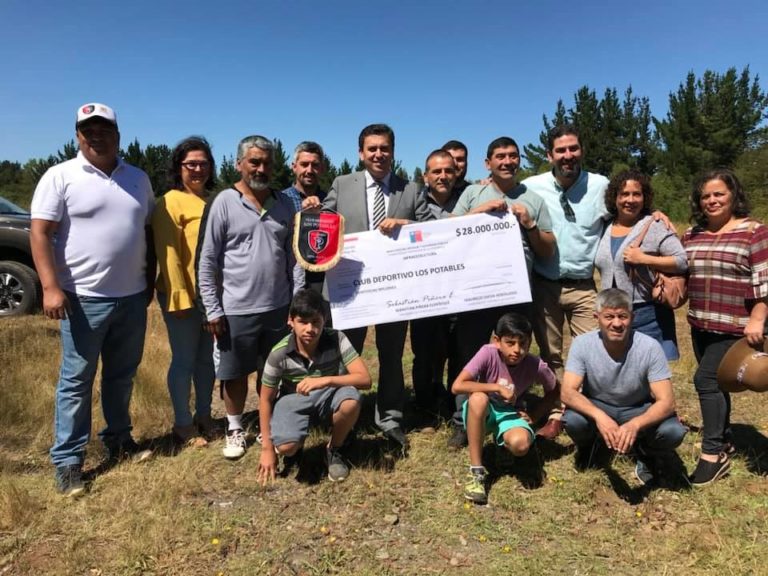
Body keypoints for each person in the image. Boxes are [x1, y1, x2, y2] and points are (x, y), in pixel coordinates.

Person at [30, 103, 155, 496]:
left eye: (104, 130)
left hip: (132, 297)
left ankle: (119, 438)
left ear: (118, 135)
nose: (96, 137)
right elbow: (40, 233)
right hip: (82, 298)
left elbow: (146, 231)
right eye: (88, 131)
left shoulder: (137, 178)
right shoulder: (60, 176)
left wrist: (149, 280)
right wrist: (50, 288)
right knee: (76, 381)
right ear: (78, 136)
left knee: (122, 375)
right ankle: (68, 461)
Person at [322, 123, 433, 451]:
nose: (378, 154)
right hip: (350, 287)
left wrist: (406, 224)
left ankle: (390, 417)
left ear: (393, 152)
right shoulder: (342, 184)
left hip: (394, 289)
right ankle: (345, 415)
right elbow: (324, 224)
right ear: (361, 153)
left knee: (392, 355)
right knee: (347, 354)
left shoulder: (410, 189)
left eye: (384, 148)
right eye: (372, 148)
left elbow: (430, 228)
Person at [447, 136, 556, 448]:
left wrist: (530, 224)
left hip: (516, 292)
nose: (507, 161)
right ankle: (464, 420)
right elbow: (448, 233)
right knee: (470, 353)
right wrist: (478, 211)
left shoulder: (533, 199)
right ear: (488, 163)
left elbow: (547, 250)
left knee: (514, 353)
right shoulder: (472, 193)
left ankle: (512, 411)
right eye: (500, 156)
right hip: (475, 290)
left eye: (513, 155)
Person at [197, 135, 301, 460]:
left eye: (267, 163)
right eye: (254, 161)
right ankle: (235, 427)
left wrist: (296, 303)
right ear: (238, 163)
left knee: (273, 372)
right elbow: (207, 260)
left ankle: (267, 425)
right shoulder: (224, 202)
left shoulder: (284, 204)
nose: (261, 168)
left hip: (278, 306)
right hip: (235, 309)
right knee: (234, 374)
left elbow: (294, 258)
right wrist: (212, 309)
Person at [521, 125, 610, 439]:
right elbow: (503, 197)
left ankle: (589, 408)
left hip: (584, 285)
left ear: (581, 151)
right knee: (552, 354)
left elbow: (630, 208)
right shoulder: (531, 186)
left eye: (573, 148)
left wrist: (657, 215)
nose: (568, 155)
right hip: (545, 284)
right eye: (561, 150)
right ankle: (558, 411)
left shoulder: (600, 185)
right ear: (550, 155)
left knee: (594, 351)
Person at [682, 169, 768, 486]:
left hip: (737, 327)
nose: (712, 200)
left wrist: (758, 317)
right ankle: (726, 438)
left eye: (719, 194)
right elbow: (681, 270)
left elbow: (764, 279)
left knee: (705, 380)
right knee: (718, 384)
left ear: (733, 195)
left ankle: (713, 455)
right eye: (705, 195)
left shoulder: (753, 232)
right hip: (701, 322)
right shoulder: (692, 234)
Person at [560, 288, 687, 486]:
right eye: (609, 317)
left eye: (623, 316)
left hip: (637, 407)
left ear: (632, 318)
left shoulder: (650, 346)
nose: (617, 323)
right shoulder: (582, 344)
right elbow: (567, 392)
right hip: (599, 405)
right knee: (572, 420)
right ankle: (590, 445)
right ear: (596, 318)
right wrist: (599, 416)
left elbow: (667, 402)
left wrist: (635, 424)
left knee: (673, 431)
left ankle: (646, 451)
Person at [258, 289, 372, 483]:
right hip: (292, 400)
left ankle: (334, 449)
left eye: (316, 322)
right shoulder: (278, 353)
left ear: (324, 320)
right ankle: (294, 444)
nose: (310, 329)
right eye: (303, 322)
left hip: (329, 395)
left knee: (351, 400)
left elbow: (365, 380)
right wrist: (267, 448)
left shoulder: (337, 338)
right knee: (286, 448)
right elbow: (265, 399)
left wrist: (326, 380)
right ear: (291, 321)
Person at [452, 313, 558, 504]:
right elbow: (457, 386)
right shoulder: (487, 353)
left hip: (510, 413)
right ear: (497, 341)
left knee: (521, 445)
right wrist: (496, 387)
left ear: (530, 342)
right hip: (483, 411)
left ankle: (504, 447)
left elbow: (555, 390)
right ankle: (476, 471)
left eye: (523, 344)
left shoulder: (535, 365)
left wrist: (535, 415)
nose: (517, 350)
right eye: (510, 343)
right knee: (478, 399)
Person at [152, 137, 217, 444]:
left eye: (203, 163)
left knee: (207, 361)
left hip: (211, 298)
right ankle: (182, 423)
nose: (198, 169)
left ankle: (204, 415)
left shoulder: (214, 201)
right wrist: (178, 296)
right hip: (183, 296)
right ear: (179, 167)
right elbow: (169, 254)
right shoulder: (169, 202)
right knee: (184, 361)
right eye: (191, 164)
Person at [594, 170, 687, 360]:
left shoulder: (655, 225)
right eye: (624, 194)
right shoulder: (604, 226)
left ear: (645, 198)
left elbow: (682, 261)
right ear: (614, 198)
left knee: (650, 370)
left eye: (636, 194)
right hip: (612, 314)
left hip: (648, 315)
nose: (630, 200)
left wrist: (644, 259)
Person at [409, 150, 461, 419]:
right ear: (425, 175)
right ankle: (424, 406)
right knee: (424, 352)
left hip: (460, 290)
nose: (443, 176)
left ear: (457, 173)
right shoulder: (413, 201)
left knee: (458, 350)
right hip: (423, 292)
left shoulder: (468, 199)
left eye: (448, 171)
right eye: (436, 171)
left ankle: (455, 405)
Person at [282, 141, 328, 299]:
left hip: (324, 282)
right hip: (288, 284)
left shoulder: (330, 201)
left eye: (315, 165)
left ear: (322, 168)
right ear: (294, 167)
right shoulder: (280, 201)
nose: (309, 170)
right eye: (304, 164)